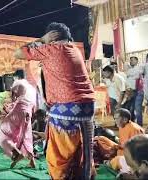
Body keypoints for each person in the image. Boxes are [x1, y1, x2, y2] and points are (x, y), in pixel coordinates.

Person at [14, 22, 95, 179]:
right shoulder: (74, 50)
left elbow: (17, 53)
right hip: (87, 107)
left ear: (53, 36)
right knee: (83, 153)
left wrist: (42, 39)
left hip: (66, 108)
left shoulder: (50, 49)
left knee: (59, 158)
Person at [0, 83, 36, 169]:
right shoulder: (29, 99)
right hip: (27, 116)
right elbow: (32, 110)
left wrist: (6, 110)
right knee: (26, 137)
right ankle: (31, 162)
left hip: (17, 115)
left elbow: (13, 107)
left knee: (6, 132)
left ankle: (17, 153)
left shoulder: (17, 98)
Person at [123, 56, 143, 124]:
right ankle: (132, 122)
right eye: (130, 60)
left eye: (133, 60)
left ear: (137, 61)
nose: (131, 61)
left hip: (137, 90)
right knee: (130, 107)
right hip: (130, 90)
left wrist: (131, 75)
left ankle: (139, 124)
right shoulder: (130, 69)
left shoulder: (139, 68)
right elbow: (128, 75)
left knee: (137, 108)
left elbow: (137, 76)